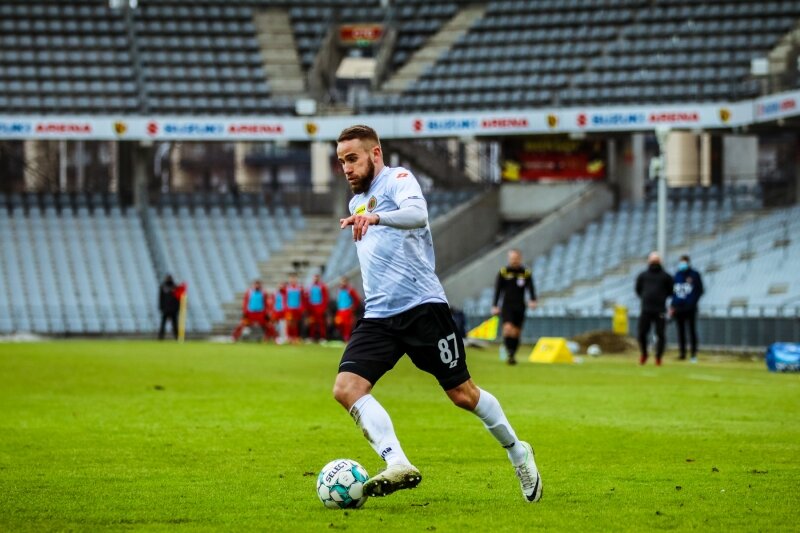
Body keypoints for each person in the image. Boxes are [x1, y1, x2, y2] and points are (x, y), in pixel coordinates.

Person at [333, 125, 542, 503]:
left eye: (352, 158)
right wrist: (368, 217)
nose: (346, 168)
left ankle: (517, 451)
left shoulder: (398, 180)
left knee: (463, 394)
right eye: (341, 161)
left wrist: (377, 218)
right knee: (346, 389)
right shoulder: (355, 204)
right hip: (379, 316)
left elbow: (416, 214)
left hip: (423, 309)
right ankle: (397, 462)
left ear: (375, 154)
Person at [491, 249, 538, 365]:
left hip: (520, 306)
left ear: (520, 258)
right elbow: (498, 290)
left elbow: (531, 288)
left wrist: (533, 300)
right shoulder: (503, 272)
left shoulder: (525, 273)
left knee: (516, 332)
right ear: (509, 259)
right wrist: (495, 305)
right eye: (512, 258)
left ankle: (512, 354)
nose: (514, 260)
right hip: (507, 305)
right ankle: (509, 352)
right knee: (508, 329)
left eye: (516, 258)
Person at [634, 251, 674, 366]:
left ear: (660, 261)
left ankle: (658, 357)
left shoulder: (666, 276)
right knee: (642, 333)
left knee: (660, 334)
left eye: (656, 260)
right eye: (652, 260)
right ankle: (644, 354)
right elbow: (638, 290)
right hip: (646, 309)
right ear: (649, 261)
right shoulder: (643, 276)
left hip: (660, 310)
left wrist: (661, 298)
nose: (654, 262)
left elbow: (671, 291)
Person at [670, 255, 704, 363]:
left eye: (684, 263)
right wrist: (673, 306)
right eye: (681, 263)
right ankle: (682, 353)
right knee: (680, 332)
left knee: (692, 331)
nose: (682, 265)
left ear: (688, 263)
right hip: (678, 308)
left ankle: (693, 354)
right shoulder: (677, 275)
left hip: (690, 308)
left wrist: (692, 302)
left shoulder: (694, 275)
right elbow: (673, 292)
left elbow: (700, 290)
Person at [334, 276, 360, 342]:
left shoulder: (350, 290)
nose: (342, 283)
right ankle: (342, 336)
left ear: (346, 282)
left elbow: (357, 299)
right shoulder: (339, 290)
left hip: (347, 310)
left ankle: (346, 337)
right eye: (341, 281)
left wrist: (353, 306)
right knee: (338, 323)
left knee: (347, 324)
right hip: (340, 310)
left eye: (344, 281)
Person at [306, 273, 329, 342]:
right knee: (312, 323)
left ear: (319, 278)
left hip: (319, 308)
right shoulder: (310, 287)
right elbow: (307, 297)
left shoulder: (322, 286)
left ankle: (322, 337)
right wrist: (308, 307)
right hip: (312, 308)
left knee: (321, 323)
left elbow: (325, 297)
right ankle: (312, 337)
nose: (315, 279)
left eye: (317, 277)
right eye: (314, 277)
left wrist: (323, 308)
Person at [284, 274, 305, 343]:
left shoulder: (299, 289)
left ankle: (295, 337)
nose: (293, 280)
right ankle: (288, 337)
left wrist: (301, 308)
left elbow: (302, 299)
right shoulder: (287, 289)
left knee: (295, 324)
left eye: (294, 279)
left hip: (296, 308)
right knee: (289, 323)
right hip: (289, 308)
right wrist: (285, 307)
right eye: (292, 279)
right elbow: (285, 299)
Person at [158, 274, 179, 340]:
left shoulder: (175, 287)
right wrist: (161, 308)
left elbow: (178, 299)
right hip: (165, 309)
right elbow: (160, 298)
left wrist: (177, 308)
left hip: (173, 309)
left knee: (175, 324)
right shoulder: (163, 287)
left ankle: (177, 337)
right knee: (163, 324)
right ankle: (161, 337)